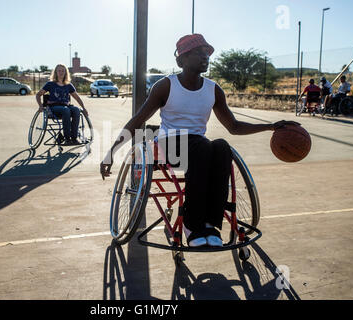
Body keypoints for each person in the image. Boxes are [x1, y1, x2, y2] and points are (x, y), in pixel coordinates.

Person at [100, 34, 298, 247]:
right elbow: (138, 120)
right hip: (170, 144)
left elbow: (234, 127)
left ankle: (210, 223)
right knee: (202, 146)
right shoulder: (166, 86)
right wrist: (111, 152)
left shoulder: (213, 89)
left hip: (197, 146)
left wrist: (270, 126)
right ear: (181, 60)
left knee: (222, 147)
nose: (205, 57)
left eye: (207, 53)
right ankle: (191, 225)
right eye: (198, 52)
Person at [36, 64, 88, 145]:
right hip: (54, 108)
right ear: (56, 72)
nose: (61, 72)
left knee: (76, 110)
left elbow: (77, 98)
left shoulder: (68, 85)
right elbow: (38, 95)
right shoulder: (50, 84)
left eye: (63, 71)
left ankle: (74, 138)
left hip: (65, 106)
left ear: (66, 73)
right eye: (59, 70)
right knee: (66, 110)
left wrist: (84, 108)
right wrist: (40, 106)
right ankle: (67, 139)